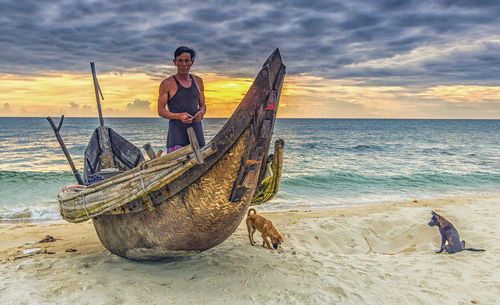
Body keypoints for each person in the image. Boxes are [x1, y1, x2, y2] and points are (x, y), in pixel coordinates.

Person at [158, 46, 206, 153]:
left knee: (201, 165)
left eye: (186, 61)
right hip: (177, 138)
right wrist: (178, 116)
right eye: (180, 60)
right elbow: (161, 110)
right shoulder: (167, 83)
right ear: (175, 62)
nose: (183, 64)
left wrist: (201, 112)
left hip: (197, 135)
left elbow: (203, 105)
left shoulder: (198, 81)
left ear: (191, 62)